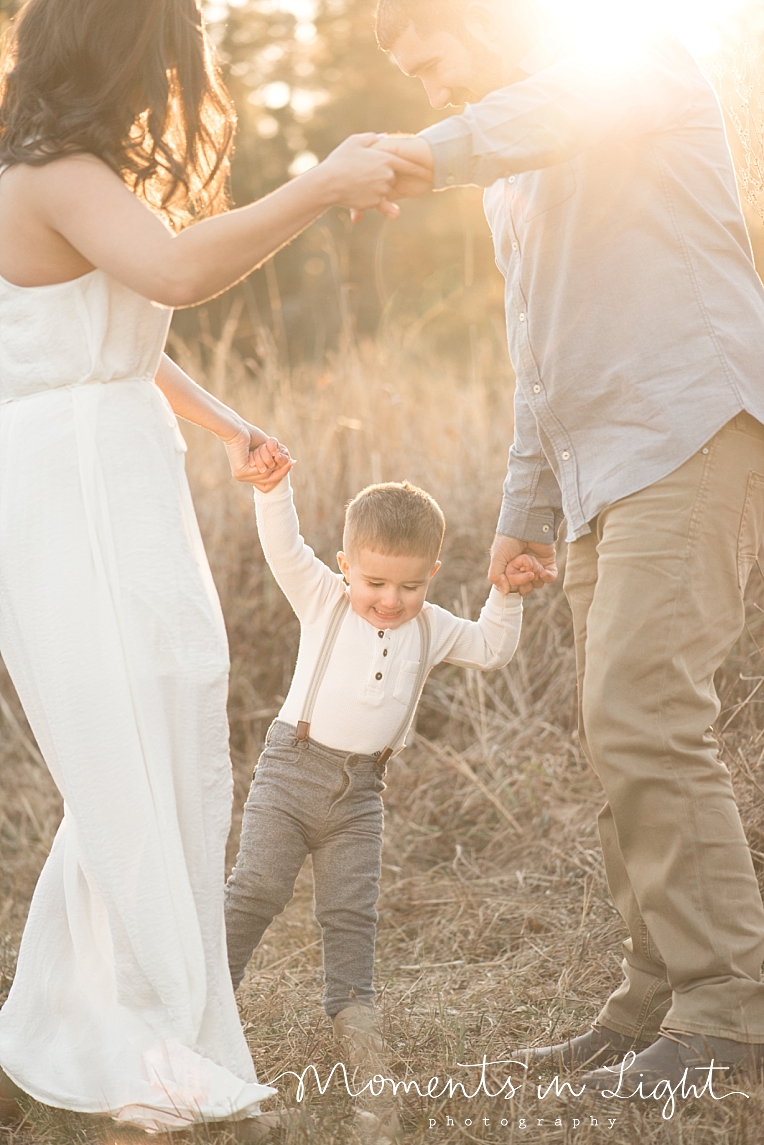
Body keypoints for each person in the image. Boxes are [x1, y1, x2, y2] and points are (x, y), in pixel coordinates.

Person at [0, 0, 430, 1134]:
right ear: (123, 49)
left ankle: (92, 1011)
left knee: (160, 732)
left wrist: (225, 423)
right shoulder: (44, 170)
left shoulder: (67, 167)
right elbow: (179, 272)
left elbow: (125, 314)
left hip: (113, 472)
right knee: (133, 743)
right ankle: (137, 1035)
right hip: (72, 491)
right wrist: (320, 185)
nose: (178, 75)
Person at [371, 0, 764, 1089]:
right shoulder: (509, 171)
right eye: (410, 80)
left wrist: (419, 154)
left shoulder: (625, 56)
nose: (429, 89)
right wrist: (522, 507)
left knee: (645, 715)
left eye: (430, 56)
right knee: (615, 732)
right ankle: (651, 1000)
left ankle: (729, 1010)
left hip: (688, 428)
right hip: (598, 475)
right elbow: (534, 352)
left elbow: (551, 109)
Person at [223, 474, 534, 1136]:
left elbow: (492, 647)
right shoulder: (323, 598)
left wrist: (506, 592)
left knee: (351, 915)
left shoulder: (434, 627)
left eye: (410, 585)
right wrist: (273, 489)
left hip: (361, 795)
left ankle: (366, 1061)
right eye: (375, 583)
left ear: (432, 574)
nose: (391, 600)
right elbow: (284, 547)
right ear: (345, 567)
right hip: (290, 775)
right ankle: (203, 1012)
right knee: (256, 888)